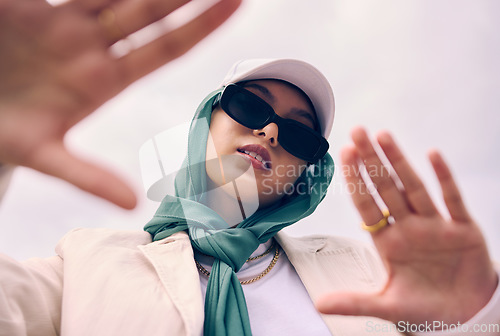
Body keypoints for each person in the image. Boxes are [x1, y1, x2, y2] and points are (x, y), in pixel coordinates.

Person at [0, 1, 499, 336]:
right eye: (250, 106)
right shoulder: (88, 263)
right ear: (204, 121)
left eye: (299, 133)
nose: (270, 132)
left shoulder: (364, 272)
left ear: (308, 173)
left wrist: (474, 313)